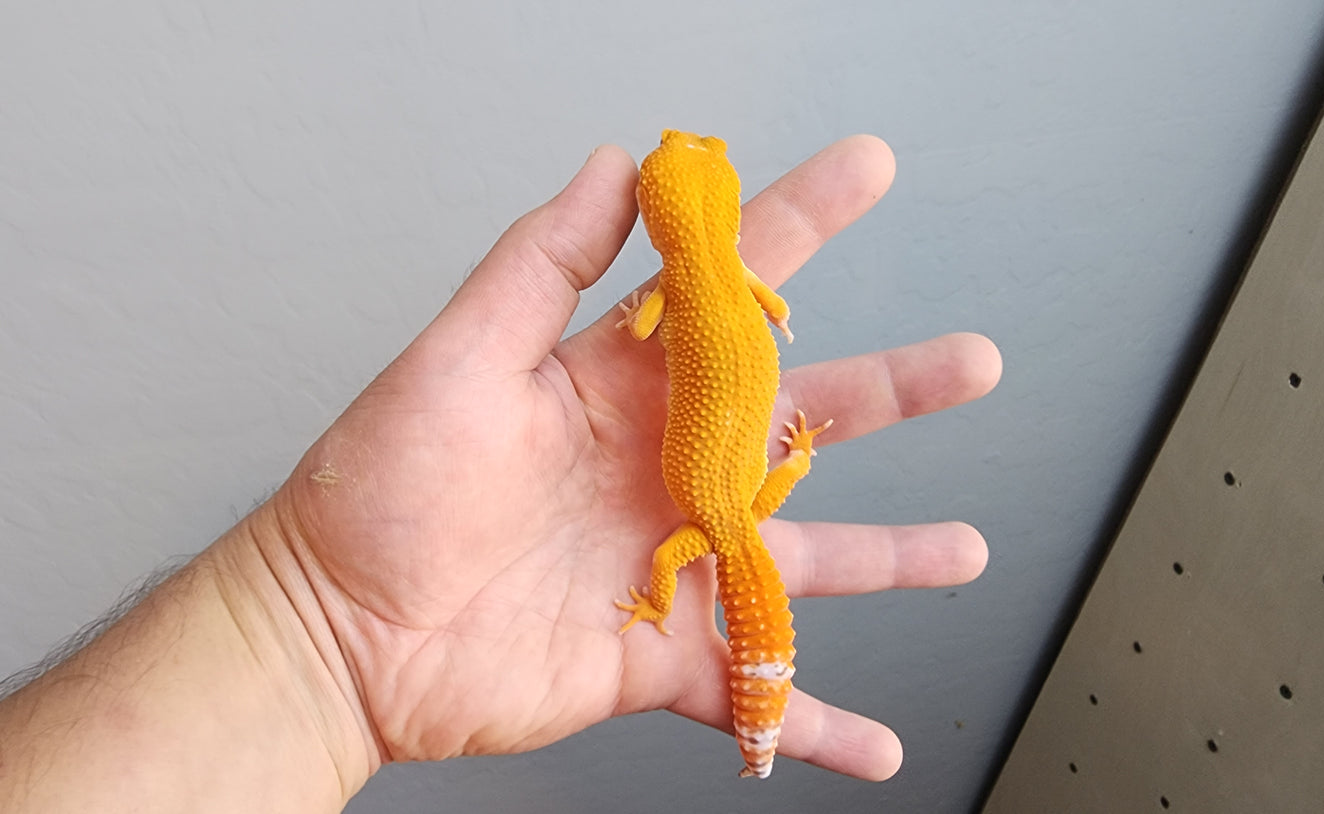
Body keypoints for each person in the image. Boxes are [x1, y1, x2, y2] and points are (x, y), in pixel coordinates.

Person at [0, 135, 1000, 812]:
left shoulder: (674, 299)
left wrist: (654, 594)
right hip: (735, 499)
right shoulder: (736, 281)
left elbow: (643, 319)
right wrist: (791, 453)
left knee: (712, 562)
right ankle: (760, 710)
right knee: (733, 561)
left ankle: (761, 711)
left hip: (716, 513)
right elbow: (761, 311)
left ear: (659, 220)